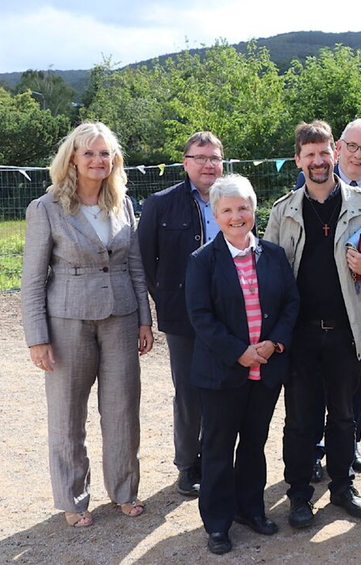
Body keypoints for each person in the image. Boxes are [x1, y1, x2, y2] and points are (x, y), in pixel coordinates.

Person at [265, 120, 361, 527]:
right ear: (298, 160)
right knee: (300, 419)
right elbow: (268, 273)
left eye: (325, 153)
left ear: (334, 153)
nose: (319, 161)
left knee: (343, 415)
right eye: (310, 155)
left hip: (347, 331)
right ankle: (300, 494)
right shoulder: (282, 211)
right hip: (300, 334)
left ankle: (342, 487)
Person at [20, 121, 154, 528]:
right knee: (67, 414)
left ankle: (125, 490)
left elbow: (134, 266)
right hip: (67, 321)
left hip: (121, 317)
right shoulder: (46, 208)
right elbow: (31, 279)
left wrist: (145, 320)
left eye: (105, 153)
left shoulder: (123, 204)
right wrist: (37, 338)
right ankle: (73, 499)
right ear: (73, 158)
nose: (99, 160)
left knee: (122, 411)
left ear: (115, 160)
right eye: (90, 153)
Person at [185, 174, 299, 555]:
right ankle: (217, 524)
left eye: (243, 207)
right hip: (222, 373)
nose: (237, 216)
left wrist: (274, 342)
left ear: (254, 209)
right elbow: (200, 317)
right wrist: (239, 351)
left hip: (265, 370)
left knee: (254, 443)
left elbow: (290, 304)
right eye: (227, 210)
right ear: (216, 215)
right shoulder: (202, 261)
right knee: (218, 448)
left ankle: (250, 510)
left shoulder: (274, 255)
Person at [294, 119, 361, 480]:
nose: (358, 155)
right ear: (339, 149)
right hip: (312, 317)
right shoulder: (306, 187)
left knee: (355, 384)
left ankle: (349, 447)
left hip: (360, 310)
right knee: (315, 391)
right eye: (352, 146)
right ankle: (318, 454)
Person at [137, 131, 225, 497]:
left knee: (225, 390)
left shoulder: (233, 198)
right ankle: (188, 465)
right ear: (185, 163)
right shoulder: (160, 204)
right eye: (200, 157)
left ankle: (219, 461)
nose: (208, 164)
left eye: (214, 158)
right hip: (183, 317)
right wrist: (169, 300)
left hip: (231, 315)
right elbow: (145, 264)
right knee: (189, 394)